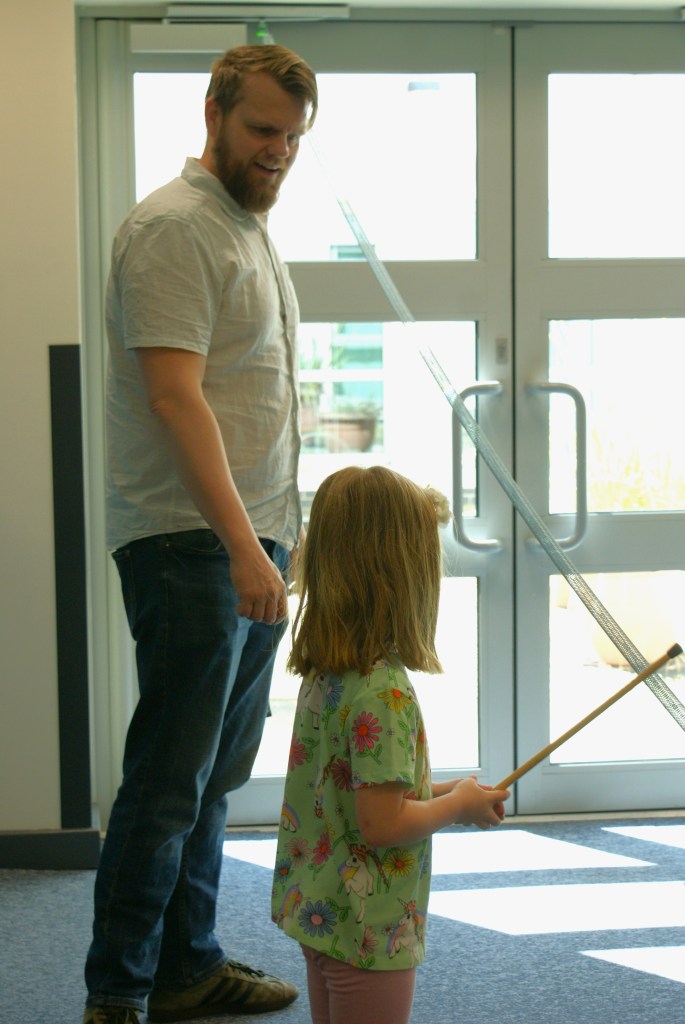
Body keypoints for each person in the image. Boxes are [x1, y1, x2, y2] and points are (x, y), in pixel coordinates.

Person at [84, 44, 318, 1024]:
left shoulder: (243, 228)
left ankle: (188, 968)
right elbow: (175, 398)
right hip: (192, 543)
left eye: (293, 136)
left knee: (214, 776)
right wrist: (240, 546)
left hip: (247, 539)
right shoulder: (175, 229)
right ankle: (118, 992)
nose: (278, 151)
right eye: (262, 129)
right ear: (214, 111)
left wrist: (275, 539)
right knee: (168, 782)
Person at [271, 466, 510, 1024]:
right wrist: (457, 807)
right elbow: (382, 825)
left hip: (321, 909)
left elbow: (354, 788)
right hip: (370, 927)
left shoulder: (330, 673)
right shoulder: (386, 695)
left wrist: (451, 791)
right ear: (404, 577)